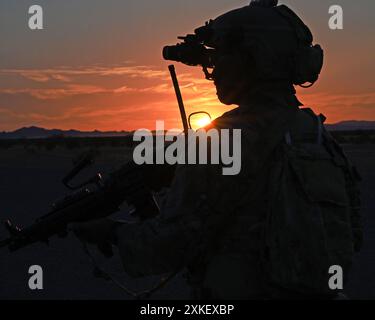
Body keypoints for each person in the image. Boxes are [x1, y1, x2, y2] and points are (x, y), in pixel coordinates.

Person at [71, 0, 362, 299]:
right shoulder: (316, 134)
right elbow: (351, 232)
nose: (212, 70)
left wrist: (114, 232)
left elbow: (169, 246)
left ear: (255, 60)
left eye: (221, 57)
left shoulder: (221, 141)